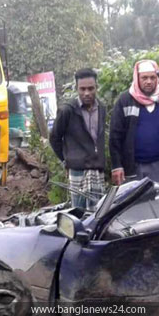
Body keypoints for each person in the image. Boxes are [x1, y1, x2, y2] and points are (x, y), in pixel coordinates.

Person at [109, 60, 159, 185]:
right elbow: (115, 136)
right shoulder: (125, 100)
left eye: (153, 77)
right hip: (132, 166)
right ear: (137, 78)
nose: (149, 81)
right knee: (134, 202)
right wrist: (117, 165)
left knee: (155, 202)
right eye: (144, 78)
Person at [49, 68, 106, 210]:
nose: (86, 93)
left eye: (91, 89)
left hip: (97, 169)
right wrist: (66, 160)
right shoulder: (67, 110)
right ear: (77, 88)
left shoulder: (102, 108)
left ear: (96, 87)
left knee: (98, 213)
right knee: (78, 215)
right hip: (77, 170)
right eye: (82, 89)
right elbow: (54, 138)